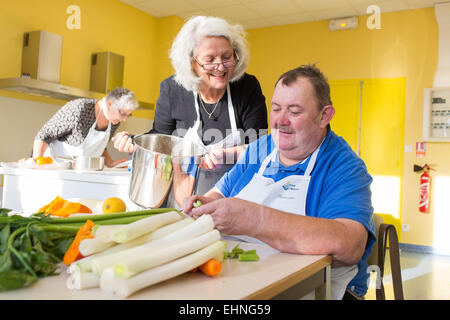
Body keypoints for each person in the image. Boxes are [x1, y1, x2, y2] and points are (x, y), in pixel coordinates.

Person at [182, 65, 376, 300]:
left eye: (294, 112)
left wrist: (255, 219)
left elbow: (349, 245)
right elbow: (219, 194)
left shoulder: (344, 166)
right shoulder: (258, 149)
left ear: (324, 115)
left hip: (316, 288)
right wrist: (203, 204)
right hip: (239, 279)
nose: (280, 121)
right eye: (276, 109)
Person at [113, 16, 268, 205]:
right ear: (191, 63)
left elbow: (261, 147)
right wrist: (134, 141)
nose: (220, 66)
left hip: (235, 195)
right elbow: (161, 137)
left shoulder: (247, 87)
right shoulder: (172, 89)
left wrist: (225, 155)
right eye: (209, 60)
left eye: (227, 57)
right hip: (181, 194)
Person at [31, 87, 139, 167]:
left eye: (127, 115)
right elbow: (44, 135)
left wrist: (110, 163)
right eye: (122, 113)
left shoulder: (114, 121)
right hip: (54, 169)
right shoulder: (79, 109)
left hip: (81, 172)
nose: (124, 119)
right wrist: (36, 163)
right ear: (109, 104)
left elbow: (99, 146)